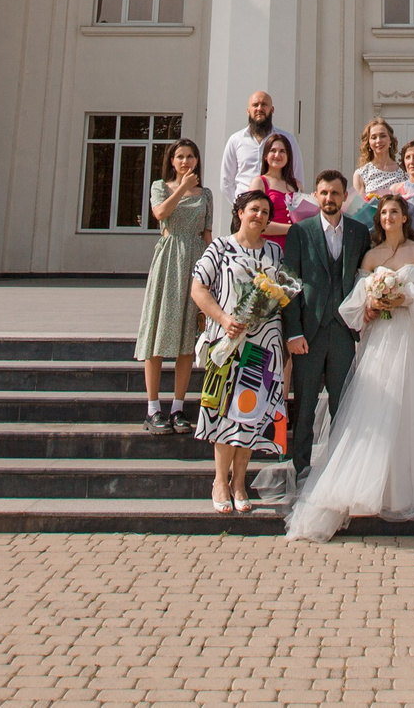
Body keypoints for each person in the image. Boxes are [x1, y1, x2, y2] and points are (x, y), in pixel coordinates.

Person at [286, 192, 414, 542]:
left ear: (404, 217)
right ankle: (368, 484)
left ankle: (407, 487)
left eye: (394, 212)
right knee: (376, 409)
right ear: (379, 219)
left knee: (411, 407)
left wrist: (405, 297)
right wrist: (372, 301)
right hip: (381, 338)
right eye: (383, 213)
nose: (388, 217)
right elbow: (353, 305)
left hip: (412, 338)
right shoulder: (371, 255)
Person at [190, 189, 293, 514]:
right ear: (240, 212)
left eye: (264, 211)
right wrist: (223, 318)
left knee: (249, 413)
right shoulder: (220, 248)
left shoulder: (275, 253)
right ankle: (220, 481)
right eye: (254, 210)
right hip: (228, 342)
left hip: (262, 346)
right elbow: (198, 287)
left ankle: (239, 483)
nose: (259, 216)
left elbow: (284, 290)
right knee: (223, 412)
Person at [282, 171, 371, 481]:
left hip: (344, 332)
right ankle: (302, 468)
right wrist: (292, 332)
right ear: (315, 196)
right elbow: (289, 285)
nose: (329, 198)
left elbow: (365, 279)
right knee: (304, 406)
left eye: (335, 193)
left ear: (345, 196)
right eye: (323, 193)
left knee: (343, 404)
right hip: (308, 332)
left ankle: (341, 469)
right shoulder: (300, 232)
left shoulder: (360, 233)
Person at [133, 138, 210, 435]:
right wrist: (180, 186)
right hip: (168, 262)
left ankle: (178, 406)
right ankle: (153, 408)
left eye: (191, 156)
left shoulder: (206, 195)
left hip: (195, 261)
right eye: (180, 156)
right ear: (172, 161)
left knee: (187, 337)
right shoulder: (160, 187)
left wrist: (211, 274)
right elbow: (160, 214)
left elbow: (206, 234)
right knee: (158, 333)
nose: (185, 161)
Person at [217, 90, 302, 198]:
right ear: (248, 111)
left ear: (272, 110)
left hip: (277, 208)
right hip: (244, 209)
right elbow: (226, 182)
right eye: (255, 105)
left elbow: (297, 177)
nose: (259, 108)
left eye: (264, 104)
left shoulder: (287, 140)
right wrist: (240, 205)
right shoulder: (236, 140)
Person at [253, 133, 317, 238]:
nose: (277, 155)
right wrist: (293, 229)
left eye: (282, 151)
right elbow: (256, 222)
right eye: (273, 150)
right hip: (268, 247)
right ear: (265, 156)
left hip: (293, 246)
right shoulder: (259, 182)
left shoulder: (297, 185)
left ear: (288, 157)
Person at [352, 118, 406, 225]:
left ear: (390, 140)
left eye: (383, 136)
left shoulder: (404, 172)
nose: (378, 141)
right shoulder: (361, 174)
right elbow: (359, 210)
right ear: (368, 143)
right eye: (373, 137)